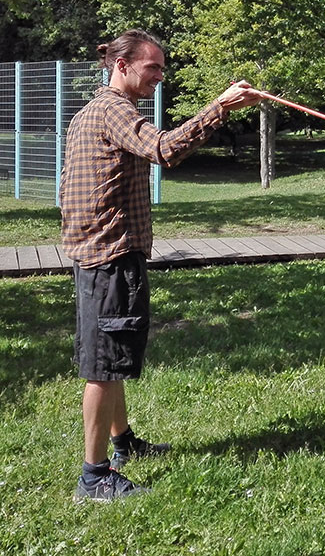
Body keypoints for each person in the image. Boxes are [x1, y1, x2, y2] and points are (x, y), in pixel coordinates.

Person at [60, 29, 262, 502]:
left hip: (100, 251)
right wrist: (220, 108)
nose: (160, 75)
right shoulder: (115, 110)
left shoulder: (94, 110)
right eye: (153, 67)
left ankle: (123, 441)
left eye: (161, 67)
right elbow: (165, 149)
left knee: (111, 356)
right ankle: (93, 477)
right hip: (108, 254)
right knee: (102, 365)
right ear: (123, 66)